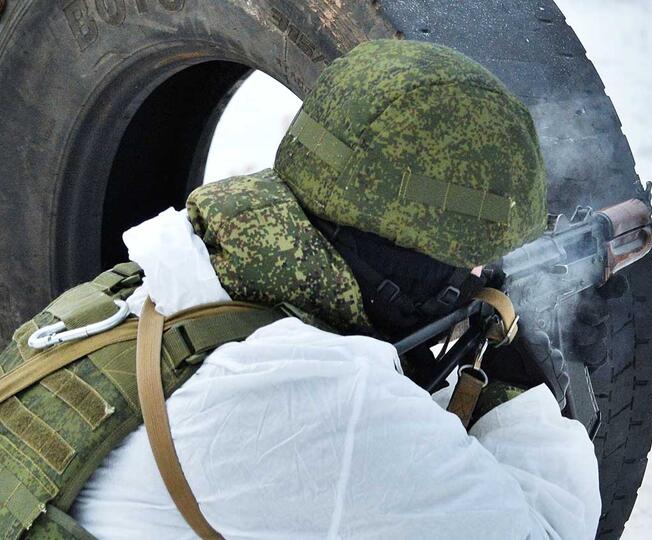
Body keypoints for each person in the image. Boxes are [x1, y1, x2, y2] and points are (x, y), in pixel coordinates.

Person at [0, 39, 600, 538]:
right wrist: (512, 365)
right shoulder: (334, 398)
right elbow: (545, 529)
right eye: (474, 265)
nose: (478, 279)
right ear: (412, 266)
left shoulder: (190, 275)